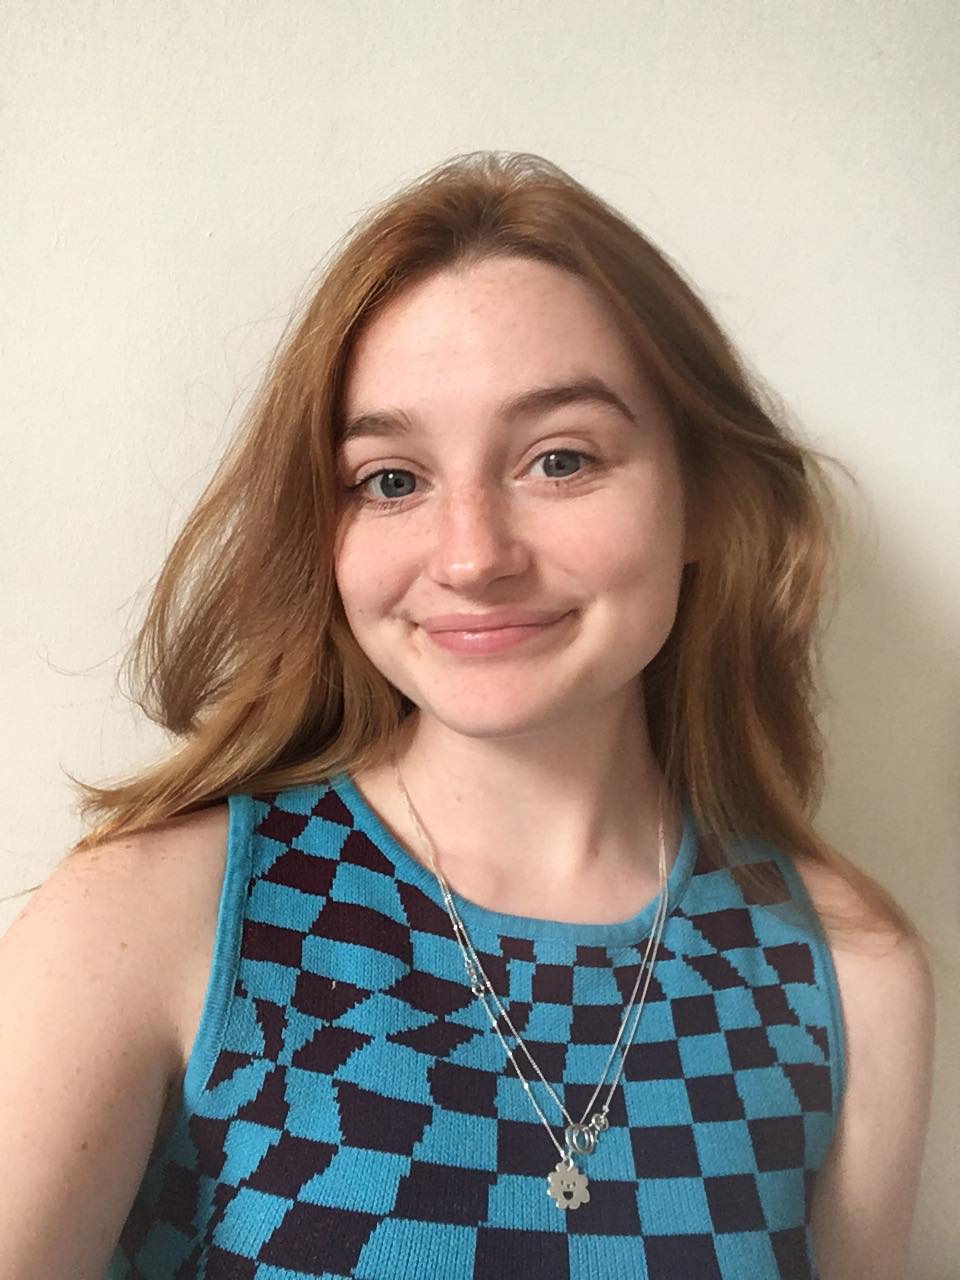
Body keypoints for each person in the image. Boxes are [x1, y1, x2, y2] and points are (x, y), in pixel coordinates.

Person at [0, 152, 935, 1280]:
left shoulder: (847, 972)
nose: (472, 556)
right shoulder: (151, 920)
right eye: (392, 479)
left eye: (559, 460)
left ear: (707, 499)